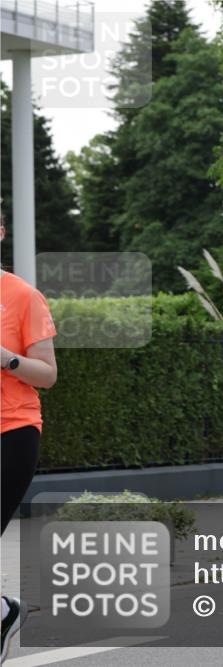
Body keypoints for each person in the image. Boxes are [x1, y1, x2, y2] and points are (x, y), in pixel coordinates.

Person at [0, 214, 58, 661]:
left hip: (12, 430)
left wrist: (6, 358)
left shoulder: (21, 296)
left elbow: (48, 375)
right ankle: (4, 611)